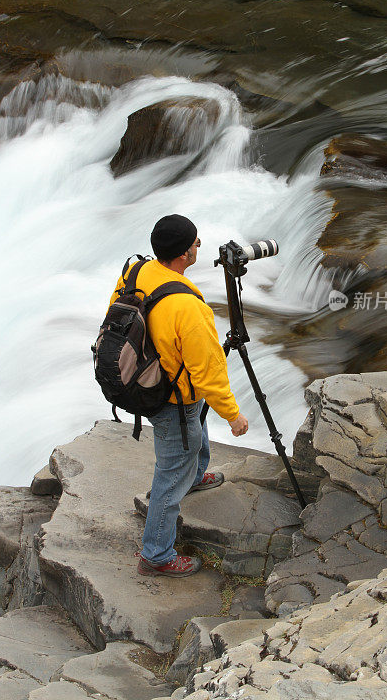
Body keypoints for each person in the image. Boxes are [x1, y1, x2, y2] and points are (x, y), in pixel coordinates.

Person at [107, 214, 249, 577]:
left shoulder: (136, 272)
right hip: (171, 398)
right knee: (170, 475)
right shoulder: (188, 307)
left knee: (188, 440)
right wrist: (233, 416)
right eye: (196, 242)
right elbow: (207, 374)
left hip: (144, 378)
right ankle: (156, 555)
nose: (200, 245)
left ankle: (193, 474)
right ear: (185, 254)